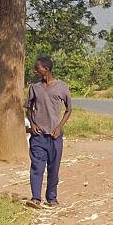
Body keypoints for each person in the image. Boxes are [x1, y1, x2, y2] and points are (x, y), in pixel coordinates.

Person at [26, 56, 72, 208]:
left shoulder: (62, 87)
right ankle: (35, 198)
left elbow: (68, 110)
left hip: (54, 136)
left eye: (37, 68)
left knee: (53, 168)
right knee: (37, 166)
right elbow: (28, 108)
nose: (35, 70)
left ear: (46, 69)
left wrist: (59, 127)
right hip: (38, 136)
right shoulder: (34, 87)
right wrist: (32, 124)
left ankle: (52, 198)